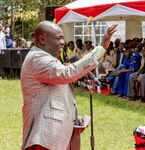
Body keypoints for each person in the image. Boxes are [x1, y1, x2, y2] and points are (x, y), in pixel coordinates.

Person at [20, 21, 117, 150]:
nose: (63, 42)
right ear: (42, 39)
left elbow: (54, 96)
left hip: (53, 135)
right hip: (45, 136)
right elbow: (67, 74)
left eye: (63, 39)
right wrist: (101, 48)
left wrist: (73, 117)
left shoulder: (46, 58)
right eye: (58, 38)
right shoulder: (37, 58)